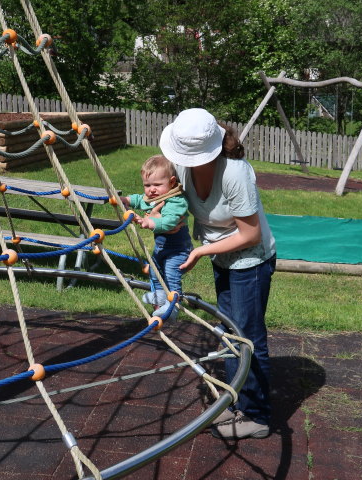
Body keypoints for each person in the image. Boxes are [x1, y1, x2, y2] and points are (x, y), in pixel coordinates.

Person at [159, 108, 276, 439]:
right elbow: (173, 203)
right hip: (222, 259)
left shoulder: (235, 173)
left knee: (247, 336)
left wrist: (200, 250)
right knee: (228, 332)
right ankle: (234, 400)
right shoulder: (183, 167)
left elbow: (250, 234)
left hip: (251, 261)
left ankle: (256, 416)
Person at [121, 154, 192, 320]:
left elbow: (169, 222)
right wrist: (126, 200)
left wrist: (149, 222)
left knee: (171, 274)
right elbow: (141, 200)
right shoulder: (156, 196)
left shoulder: (176, 200)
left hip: (178, 250)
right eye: (147, 185)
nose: (151, 189)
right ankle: (160, 298)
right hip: (161, 248)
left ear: (172, 182)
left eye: (157, 184)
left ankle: (174, 305)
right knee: (155, 271)